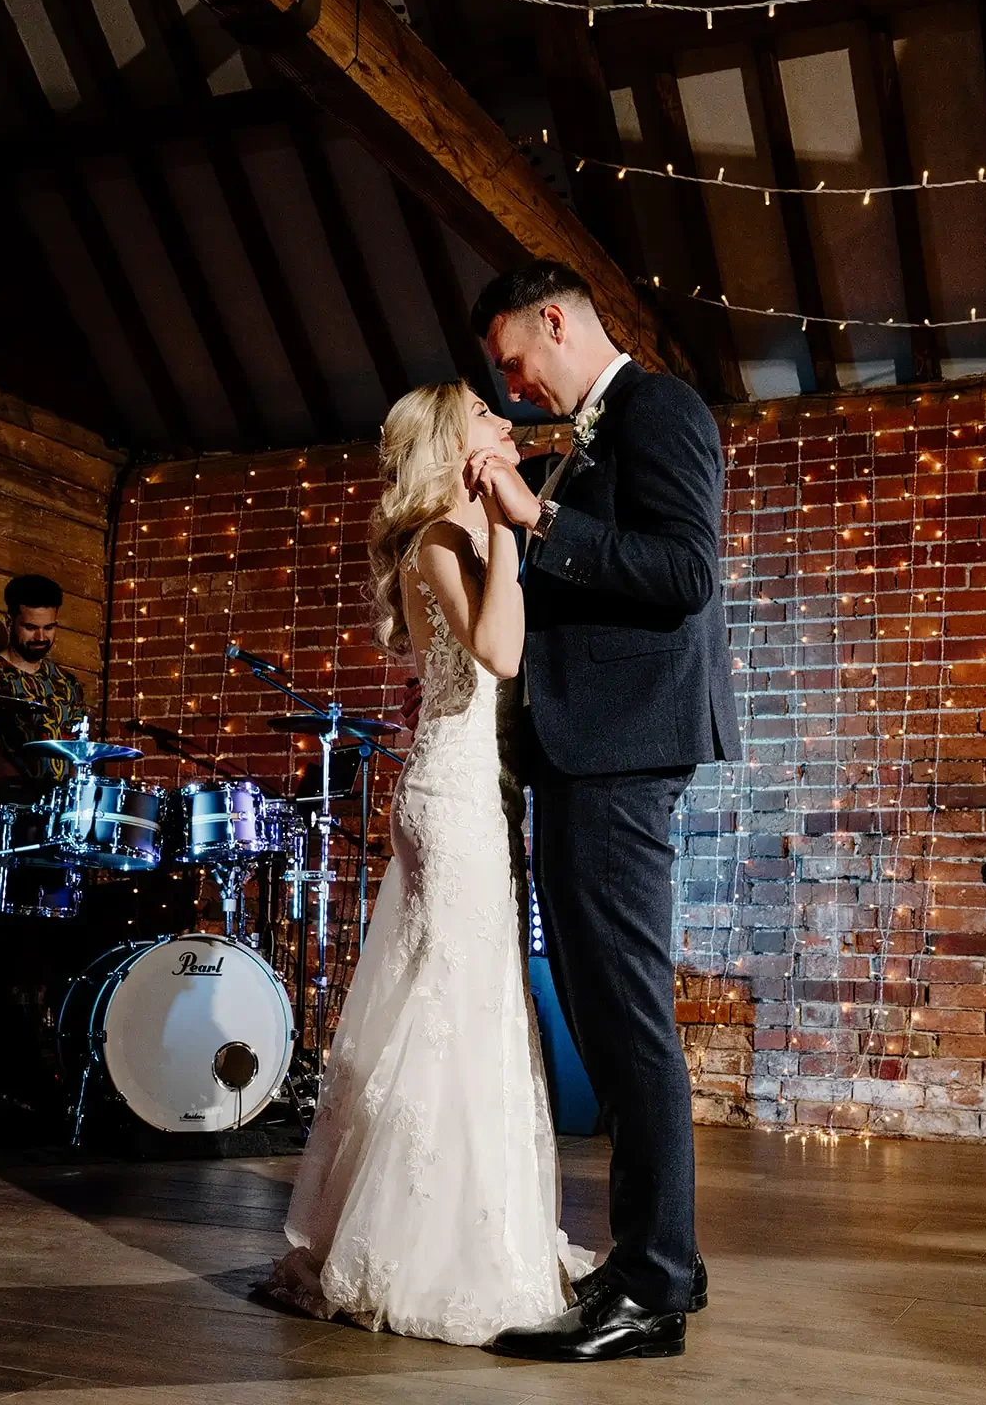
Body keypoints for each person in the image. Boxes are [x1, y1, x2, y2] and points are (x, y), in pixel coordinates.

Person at [448, 260, 741, 1364]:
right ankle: (660, 1259)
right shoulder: (585, 438)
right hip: (586, 750)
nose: (514, 386)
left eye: (514, 361)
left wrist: (539, 518)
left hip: (621, 747)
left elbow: (682, 571)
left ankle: (650, 1289)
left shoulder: (657, 408)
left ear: (554, 320)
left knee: (623, 1016)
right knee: (598, 1007)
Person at [258, 380, 593, 1345]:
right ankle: (426, 1251)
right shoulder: (443, 538)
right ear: (453, 441)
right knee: (458, 1007)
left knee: (464, 1001)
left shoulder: (453, 534)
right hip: (452, 798)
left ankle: (465, 1230)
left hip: (466, 789)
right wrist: (507, 533)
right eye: (487, 416)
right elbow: (498, 653)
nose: (506, 423)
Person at [0, 573, 85, 792]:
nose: (41, 637)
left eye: (49, 627)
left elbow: (78, 749)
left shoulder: (68, 684)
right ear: (10, 621)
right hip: (5, 805)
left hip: (59, 807)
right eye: (31, 628)